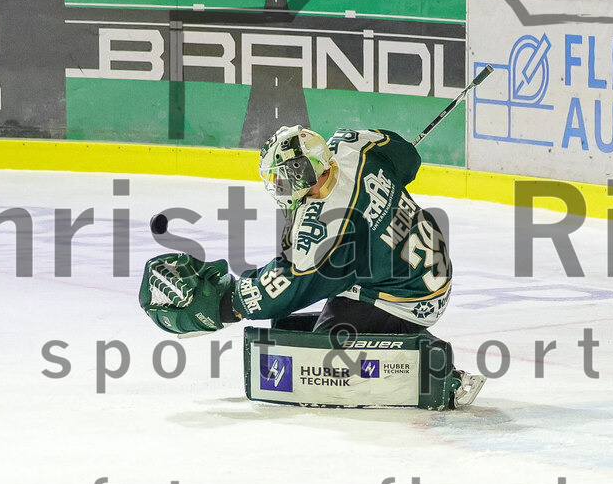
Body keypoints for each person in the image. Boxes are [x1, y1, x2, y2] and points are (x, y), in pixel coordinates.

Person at [139, 126, 484, 406]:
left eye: (280, 179)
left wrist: (226, 304)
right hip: (426, 267)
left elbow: (285, 286)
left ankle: (434, 369)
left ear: (300, 173)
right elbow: (407, 158)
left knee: (324, 359)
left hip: (408, 297)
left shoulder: (323, 229)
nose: (277, 187)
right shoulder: (353, 146)